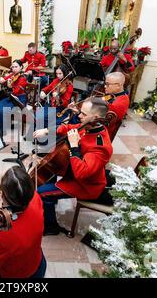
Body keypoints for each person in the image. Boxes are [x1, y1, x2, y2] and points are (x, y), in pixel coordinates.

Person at [33, 97, 113, 235]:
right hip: (73, 173)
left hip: (84, 185)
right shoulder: (90, 126)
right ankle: (50, 205)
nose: (79, 116)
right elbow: (71, 127)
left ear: (96, 117)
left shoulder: (101, 147)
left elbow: (81, 173)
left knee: (41, 193)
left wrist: (74, 146)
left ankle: (51, 227)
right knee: (47, 173)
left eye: (83, 114)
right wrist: (47, 130)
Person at [0, 60, 27, 136]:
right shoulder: (13, 74)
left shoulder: (23, 78)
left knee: (2, 110)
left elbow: (16, 91)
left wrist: (10, 86)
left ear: (21, 67)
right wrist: (1, 79)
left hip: (19, 99)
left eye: (16, 67)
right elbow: (3, 79)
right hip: (11, 97)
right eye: (13, 67)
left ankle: (2, 130)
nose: (14, 69)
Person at [37, 64, 75, 129]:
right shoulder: (55, 81)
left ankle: (44, 134)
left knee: (44, 118)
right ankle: (37, 134)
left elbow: (65, 102)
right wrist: (43, 92)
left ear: (65, 73)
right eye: (57, 74)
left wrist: (58, 97)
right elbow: (47, 88)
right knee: (38, 115)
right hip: (52, 105)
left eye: (60, 73)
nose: (58, 76)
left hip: (60, 109)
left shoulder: (69, 85)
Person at [104, 72, 130, 140]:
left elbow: (101, 119)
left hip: (104, 132)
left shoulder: (120, 103)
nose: (105, 86)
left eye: (107, 84)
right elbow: (102, 99)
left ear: (118, 85)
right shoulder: (113, 95)